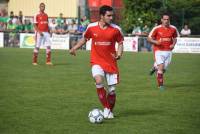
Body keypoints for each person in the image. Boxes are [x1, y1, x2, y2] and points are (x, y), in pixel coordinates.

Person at [69, 5, 124, 119]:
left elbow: (120, 43)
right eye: (108, 15)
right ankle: (106, 108)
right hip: (96, 60)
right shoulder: (91, 27)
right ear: (102, 16)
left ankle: (109, 110)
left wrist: (119, 54)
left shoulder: (116, 29)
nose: (111, 18)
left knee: (112, 91)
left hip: (111, 62)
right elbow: (85, 38)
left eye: (112, 15)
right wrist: (75, 48)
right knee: (98, 80)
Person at [147, 13, 179, 90]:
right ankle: (160, 85)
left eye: (167, 19)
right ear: (161, 20)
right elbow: (148, 38)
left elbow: (175, 38)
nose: (166, 21)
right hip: (158, 51)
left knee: (164, 69)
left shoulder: (173, 28)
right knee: (161, 68)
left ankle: (155, 67)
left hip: (168, 51)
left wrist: (173, 44)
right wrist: (156, 42)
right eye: (164, 19)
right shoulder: (156, 28)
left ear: (169, 20)